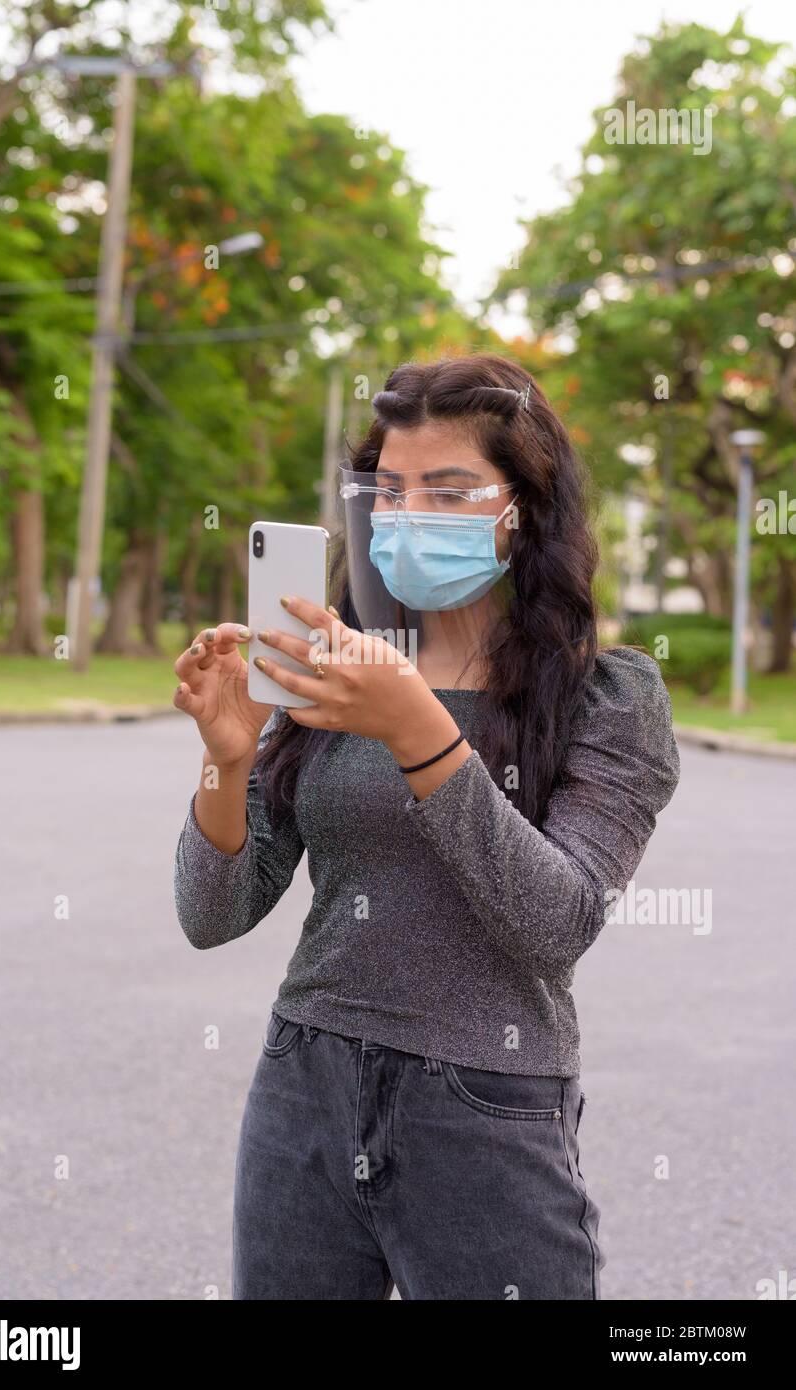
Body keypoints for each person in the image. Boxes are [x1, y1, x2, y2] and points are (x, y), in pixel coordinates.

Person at [172, 354, 680, 1300]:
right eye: (391, 494)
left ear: (521, 507)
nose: (410, 517)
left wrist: (417, 728)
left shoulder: (607, 698)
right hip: (302, 1093)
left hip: (486, 1107)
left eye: (448, 492)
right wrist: (228, 758)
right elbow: (213, 915)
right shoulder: (333, 675)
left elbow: (556, 921)